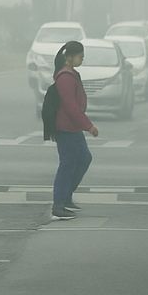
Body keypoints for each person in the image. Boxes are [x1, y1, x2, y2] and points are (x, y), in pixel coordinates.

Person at [51, 40, 99, 220]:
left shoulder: (71, 74)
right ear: (70, 57)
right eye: (80, 56)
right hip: (66, 128)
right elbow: (70, 106)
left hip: (73, 127)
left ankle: (66, 197)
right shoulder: (65, 77)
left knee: (84, 158)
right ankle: (58, 204)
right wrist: (89, 126)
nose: (82, 59)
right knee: (67, 164)